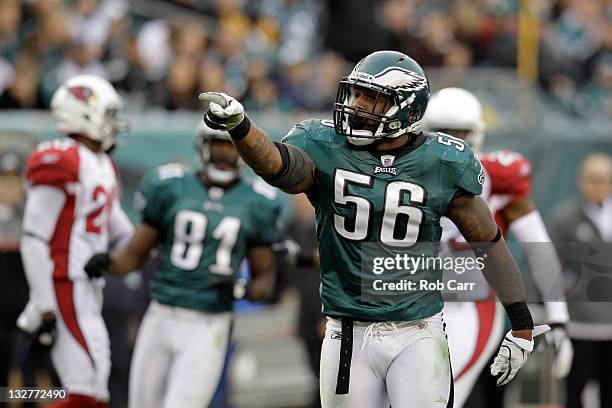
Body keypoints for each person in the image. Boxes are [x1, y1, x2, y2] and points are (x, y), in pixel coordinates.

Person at [199, 50, 547, 408]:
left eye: (373, 98)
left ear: (406, 108)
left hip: (418, 330)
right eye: (357, 94)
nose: (358, 105)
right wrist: (241, 128)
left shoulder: (442, 161)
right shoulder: (325, 144)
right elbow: (279, 166)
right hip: (348, 329)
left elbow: (489, 243)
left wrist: (521, 322)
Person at [83, 123, 282, 408]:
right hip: (160, 314)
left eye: (232, 145)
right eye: (218, 144)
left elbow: (265, 282)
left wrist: (239, 289)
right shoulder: (171, 186)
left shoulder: (257, 202)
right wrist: (107, 263)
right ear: (203, 145)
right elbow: (135, 254)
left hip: (209, 322)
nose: (224, 153)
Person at [423, 87, 573, 407]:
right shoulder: (396, 174)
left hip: (470, 304)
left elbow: (539, 247)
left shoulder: (496, 175)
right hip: (412, 296)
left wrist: (559, 317)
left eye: (458, 133)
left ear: (476, 134)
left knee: (446, 395)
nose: (450, 142)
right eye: (442, 132)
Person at [18, 74, 133, 407]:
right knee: (83, 390)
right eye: (109, 115)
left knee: (96, 391)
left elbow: (122, 231)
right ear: (83, 113)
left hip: (87, 288)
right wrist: (45, 304)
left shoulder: (102, 163)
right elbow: (33, 238)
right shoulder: (62, 159)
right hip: (63, 284)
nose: (114, 124)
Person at [548, 153, 612, 408]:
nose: (599, 186)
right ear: (581, 181)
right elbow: (547, 267)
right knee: (574, 394)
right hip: (579, 325)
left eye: (605, 179)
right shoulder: (564, 218)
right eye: (593, 179)